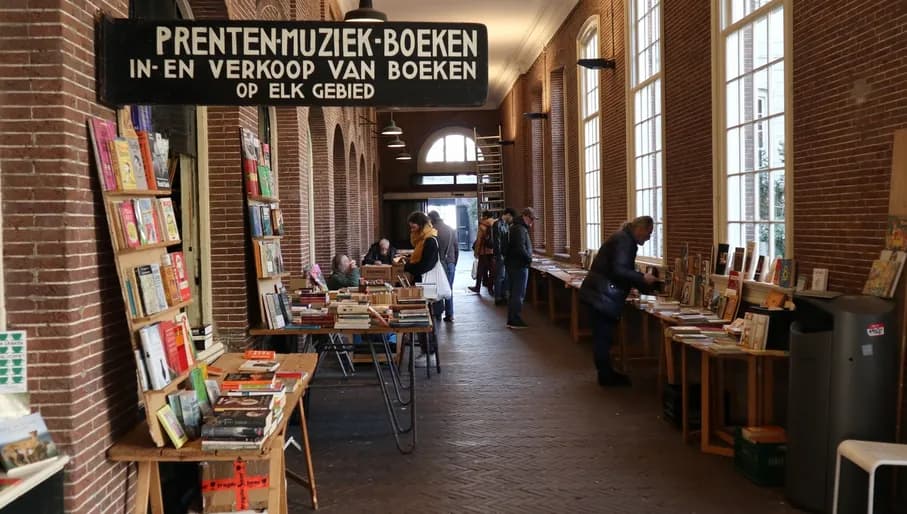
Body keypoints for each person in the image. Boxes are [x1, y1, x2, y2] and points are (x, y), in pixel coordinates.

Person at [579, 216, 659, 387]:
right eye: (649, 232)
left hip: (598, 293)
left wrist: (641, 284)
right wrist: (642, 278)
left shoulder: (622, 238)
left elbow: (619, 269)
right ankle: (606, 377)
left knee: (602, 336)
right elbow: (620, 270)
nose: (649, 237)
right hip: (603, 296)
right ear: (640, 229)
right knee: (603, 337)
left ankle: (606, 373)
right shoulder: (625, 241)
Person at [403, 211, 441, 355]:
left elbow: (426, 265)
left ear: (421, 225)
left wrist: (408, 266)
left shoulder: (429, 240)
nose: (412, 230)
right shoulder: (422, 240)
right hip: (422, 283)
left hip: (426, 284)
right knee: (424, 316)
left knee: (425, 317)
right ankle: (427, 349)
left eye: (414, 227)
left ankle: (429, 351)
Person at [504, 207, 538, 329]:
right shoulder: (519, 229)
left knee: (515, 293)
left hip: (514, 264)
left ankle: (512, 318)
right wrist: (529, 259)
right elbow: (520, 248)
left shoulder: (516, 227)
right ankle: (514, 319)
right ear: (525, 216)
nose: (532, 222)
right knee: (518, 293)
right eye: (531, 219)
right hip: (518, 265)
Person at [428, 211, 458, 322]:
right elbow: (456, 248)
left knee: (438, 288)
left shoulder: (432, 231)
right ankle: (450, 314)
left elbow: (431, 249)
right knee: (449, 289)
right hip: (450, 262)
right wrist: (453, 263)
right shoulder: (450, 229)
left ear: (431, 219)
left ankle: (438, 312)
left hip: (438, 263)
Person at [492, 207, 516, 306]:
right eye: (511, 217)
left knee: (505, 276)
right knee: (500, 276)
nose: (511, 219)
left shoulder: (505, 224)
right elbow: (497, 241)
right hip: (501, 255)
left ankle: (503, 295)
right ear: (508, 215)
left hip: (505, 254)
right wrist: (499, 255)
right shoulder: (497, 224)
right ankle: (498, 297)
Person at [468, 210, 496, 295]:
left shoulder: (482, 226)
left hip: (484, 251)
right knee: (492, 270)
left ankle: (477, 287)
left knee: (480, 270)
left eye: (483, 216)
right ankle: (491, 289)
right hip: (494, 251)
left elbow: (479, 240)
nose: (481, 217)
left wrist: (476, 253)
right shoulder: (496, 224)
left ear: (485, 216)